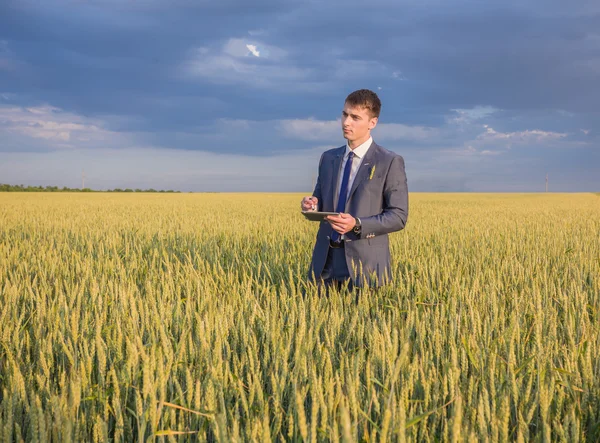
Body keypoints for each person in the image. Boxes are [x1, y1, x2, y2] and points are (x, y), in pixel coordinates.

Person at [301, 89, 408, 290]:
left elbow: (399, 216)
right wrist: (312, 205)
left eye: (355, 117)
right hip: (325, 262)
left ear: (372, 123)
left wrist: (356, 225)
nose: (346, 122)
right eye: (345, 114)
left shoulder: (389, 161)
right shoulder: (328, 158)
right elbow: (321, 200)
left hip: (365, 266)